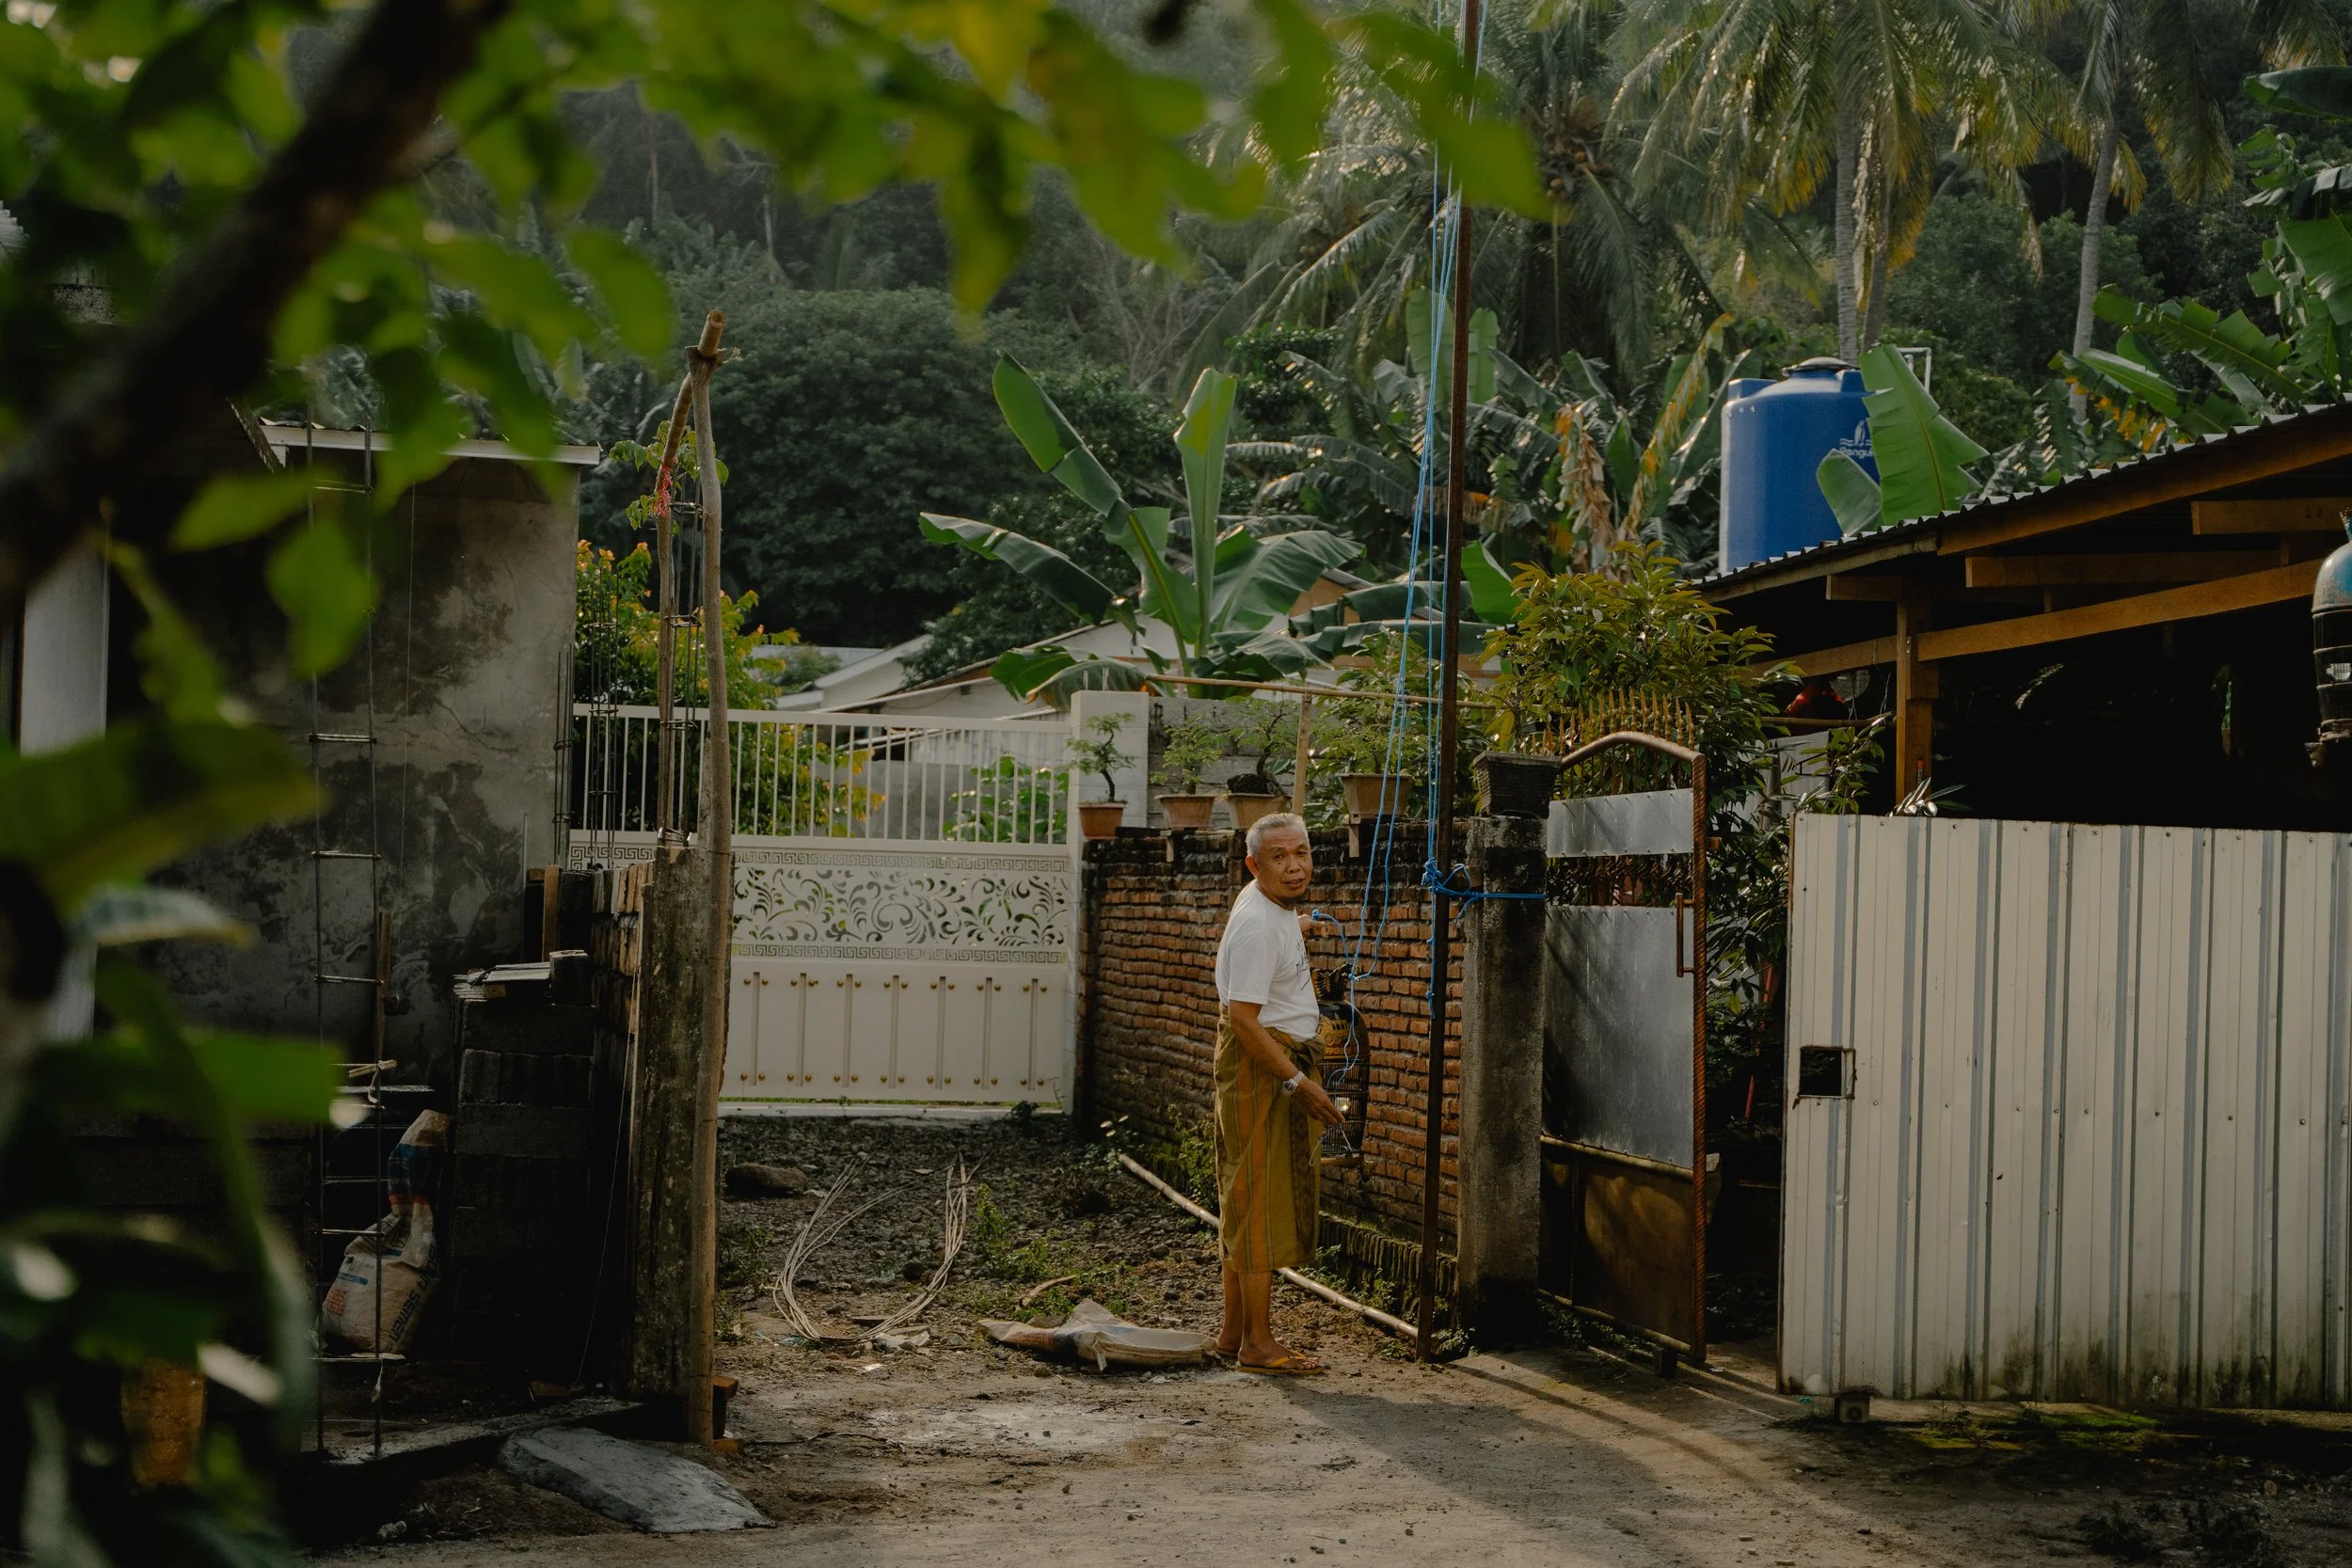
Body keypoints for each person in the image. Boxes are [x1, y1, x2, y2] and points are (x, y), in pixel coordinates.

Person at [1211, 811, 1343, 1374]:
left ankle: (1233, 1334)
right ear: (1253, 865)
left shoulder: (1273, 910)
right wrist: (1297, 1081)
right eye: (1279, 858)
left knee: (1245, 1193)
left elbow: (1272, 931)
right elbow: (1244, 1020)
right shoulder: (1260, 927)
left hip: (1268, 1061)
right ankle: (1258, 1345)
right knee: (1259, 1199)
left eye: (1302, 854)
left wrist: (1301, 925)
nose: (1294, 867)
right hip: (1263, 1066)